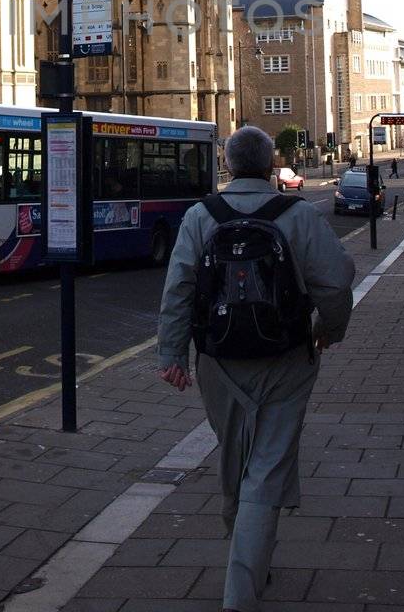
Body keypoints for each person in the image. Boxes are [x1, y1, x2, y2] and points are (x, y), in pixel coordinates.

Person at [157, 126, 356, 612]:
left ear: (228, 163)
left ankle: (248, 548)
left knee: (234, 458)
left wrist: (171, 355)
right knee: (265, 468)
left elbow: (179, 289)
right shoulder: (299, 215)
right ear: (271, 166)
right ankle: (240, 593)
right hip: (285, 360)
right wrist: (330, 330)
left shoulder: (201, 216)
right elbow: (335, 282)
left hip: (218, 363)